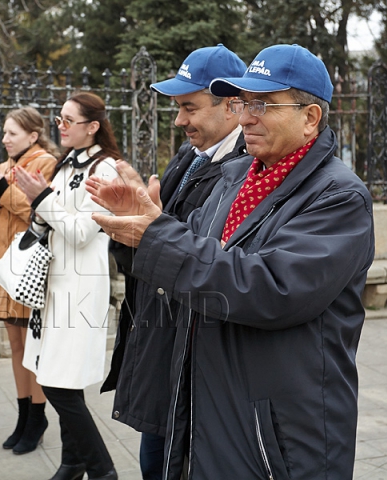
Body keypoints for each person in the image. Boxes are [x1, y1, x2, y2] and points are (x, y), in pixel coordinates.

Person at [90, 44, 374, 479]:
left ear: (310, 118)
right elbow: (193, 258)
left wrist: (155, 234)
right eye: (243, 103)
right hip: (214, 413)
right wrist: (140, 227)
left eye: (263, 104)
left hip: (279, 439)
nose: (245, 118)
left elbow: (268, 289)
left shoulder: (338, 196)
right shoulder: (237, 177)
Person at [94, 44, 247, 480]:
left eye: (189, 107)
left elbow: (221, 269)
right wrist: (130, 230)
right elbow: (154, 251)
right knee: (154, 463)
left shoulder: (247, 172)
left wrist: (152, 232)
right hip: (161, 348)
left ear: (233, 105)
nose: (179, 120)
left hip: (196, 361)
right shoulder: (190, 158)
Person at [15, 92, 120, 480]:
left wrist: (41, 199)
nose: (59, 126)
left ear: (92, 126)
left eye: (68, 120)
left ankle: (102, 469)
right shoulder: (64, 165)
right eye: (58, 118)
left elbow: (80, 232)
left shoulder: (106, 170)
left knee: (59, 384)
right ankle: (72, 463)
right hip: (52, 286)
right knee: (60, 379)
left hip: (80, 289)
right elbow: (51, 225)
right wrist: (38, 207)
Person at [0, 107, 58, 454]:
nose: (5, 139)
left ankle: (37, 418)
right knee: (16, 347)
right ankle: (24, 415)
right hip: (7, 269)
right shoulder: (6, 168)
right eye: (5, 134)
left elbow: (40, 213)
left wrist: (3, 191)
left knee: (33, 351)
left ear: (33, 136)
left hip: (30, 270)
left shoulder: (46, 164)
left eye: (12, 133)